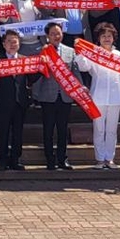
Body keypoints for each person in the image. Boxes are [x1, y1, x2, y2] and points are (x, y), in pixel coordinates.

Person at [74, 23, 120, 169]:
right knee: (99, 129)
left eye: (109, 36)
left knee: (111, 130)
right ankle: (99, 159)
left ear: (113, 38)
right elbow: (84, 67)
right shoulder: (93, 55)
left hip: (116, 97)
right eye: (103, 36)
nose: (106, 39)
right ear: (98, 39)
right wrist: (80, 53)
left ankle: (109, 158)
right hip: (98, 96)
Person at [31, 21, 78, 170]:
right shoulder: (42, 51)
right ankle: (50, 159)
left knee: (63, 129)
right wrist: (35, 94)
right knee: (48, 129)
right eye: (52, 34)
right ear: (47, 36)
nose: (56, 36)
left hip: (65, 95)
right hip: (48, 95)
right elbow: (37, 75)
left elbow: (75, 72)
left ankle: (62, 159)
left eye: (58, 33)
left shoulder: (70, 51)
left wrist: (80, 88)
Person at [0, 30, 30, 171]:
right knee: (3, 132)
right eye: (9, 41)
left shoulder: (25, 60)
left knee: (18, 133)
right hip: (3, 102)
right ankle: (2, 159)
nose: (12, 44)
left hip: (20, 102)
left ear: (19, 44)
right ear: (3, 44)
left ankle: (16, 159)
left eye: (15, 41)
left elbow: (32, 79)